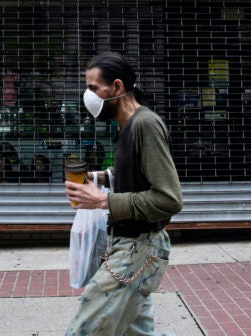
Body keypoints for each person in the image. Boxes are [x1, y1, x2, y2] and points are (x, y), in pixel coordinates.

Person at [64, 51, 183, 336]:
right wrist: (100, 177)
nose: (88, 95)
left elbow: (169, 198)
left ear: (117, 87)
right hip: (131, 246)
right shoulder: (127, 126)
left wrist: (103, 200)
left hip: (138, 250)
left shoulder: (145, 124)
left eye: (93, 88)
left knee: (84, 331)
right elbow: (137, 177)